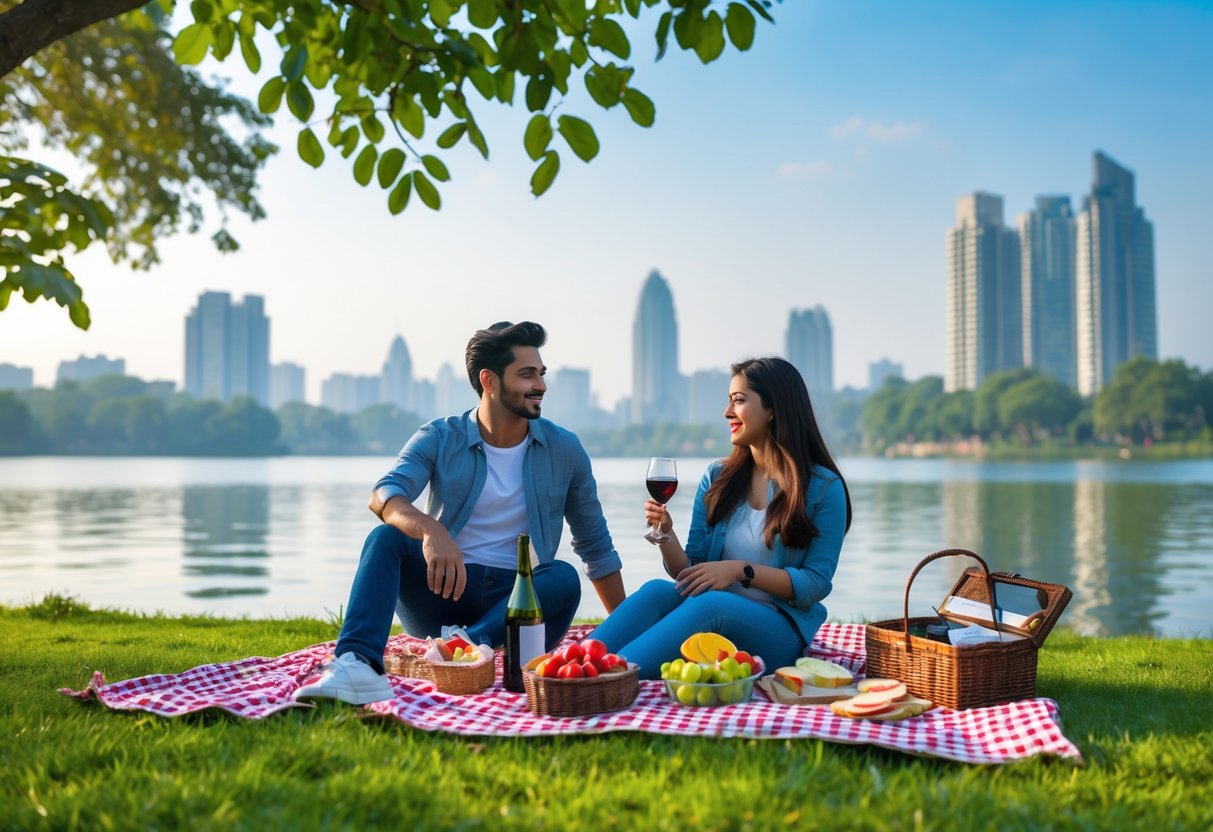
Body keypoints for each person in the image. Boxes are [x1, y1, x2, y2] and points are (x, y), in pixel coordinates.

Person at [298, 321, 626, 704]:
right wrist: (430, 530)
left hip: (519, 610)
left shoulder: (565, 449)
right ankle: (357, 665)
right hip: (443, 591)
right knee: (386, 538)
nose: (540, 385)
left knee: (563, 576)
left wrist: (630, 632)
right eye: (526, 374)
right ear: (489, 381)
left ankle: (470, 646)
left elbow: (596, 547)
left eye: (541, 373)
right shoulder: (440, 436)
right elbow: (384, 494)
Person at [590, 356, 851, 679]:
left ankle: (604, 679)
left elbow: (815, 584)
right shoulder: (717, 477)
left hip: (777, 631)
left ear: (773, 408)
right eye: (729, 402)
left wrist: (742, 571)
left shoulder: (824, 488)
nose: (728, 413)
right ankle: (567, 667)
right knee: (659, 590)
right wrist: (666, 535)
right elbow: (689, 571)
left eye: (739, 401)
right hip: (710, 615)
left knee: (711, 604)